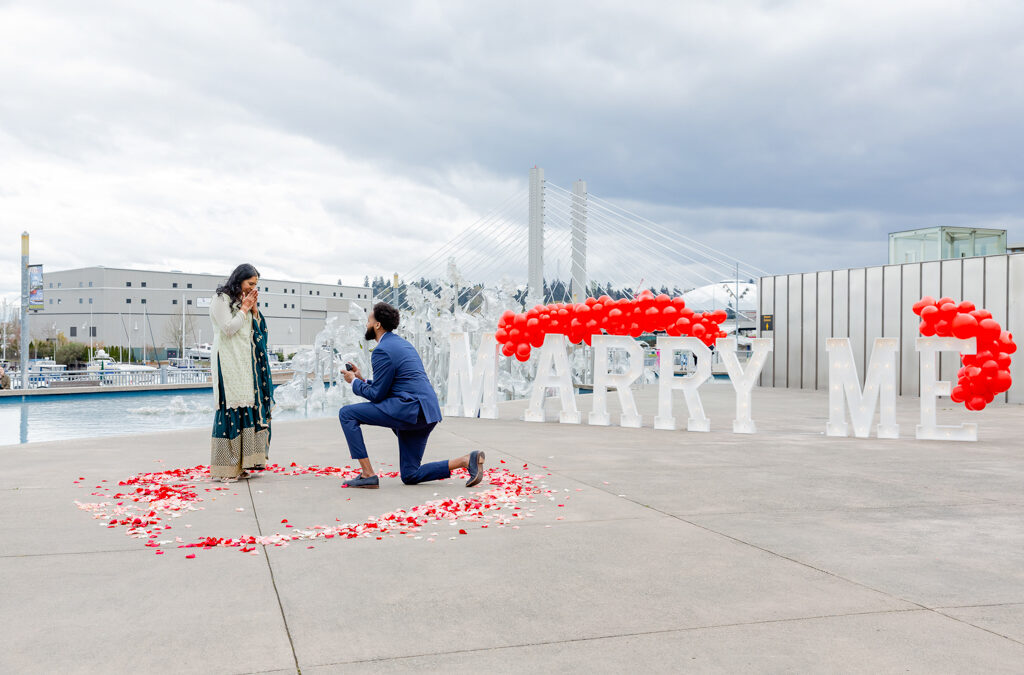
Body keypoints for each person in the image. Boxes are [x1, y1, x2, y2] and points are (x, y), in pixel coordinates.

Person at [339, 302, 485, 489]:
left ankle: (367, 474)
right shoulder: (402, 344)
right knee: (410, 474)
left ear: (377, 325)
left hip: (410, 410)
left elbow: (377, 395)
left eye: (369, 320)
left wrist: (353, 382)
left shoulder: (381, 351)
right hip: (426, 412)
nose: (366, 324)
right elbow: (395, 385)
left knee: (347, 414)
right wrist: (362, 379)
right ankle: (466, 460)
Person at [209, 264, 274, 481]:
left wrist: (254, 312)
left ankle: (244, 464)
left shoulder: (241, 302)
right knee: (230, 407)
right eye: (250, 284)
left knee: (246, 406)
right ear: (239, 281)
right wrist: (245, 308)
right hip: (227, 361)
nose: (253, 288)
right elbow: (228, 328)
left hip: (245, 362)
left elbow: (257, 332)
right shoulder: (221, 299)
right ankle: (226, 468)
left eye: (256, 285)